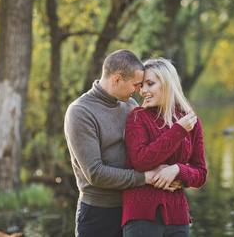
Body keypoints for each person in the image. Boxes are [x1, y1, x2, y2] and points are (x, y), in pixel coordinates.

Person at [64, 49, 165, 237]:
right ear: (117, 79)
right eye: (136, 85)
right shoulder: (80, 112)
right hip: (98, 214)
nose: (139, 91)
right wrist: (145, 178)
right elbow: (95, 173)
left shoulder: (131, 106)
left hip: (133, 208)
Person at [122, 57, 208, 237]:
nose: (143, 91)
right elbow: (141, 161)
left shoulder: (190, 121)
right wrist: (177, 131)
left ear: (167, 84)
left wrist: (177, 170)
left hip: (178, 216)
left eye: (150, 84)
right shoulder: (138, 117)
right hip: (141, 216)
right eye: (141, 86)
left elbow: (200, 175)